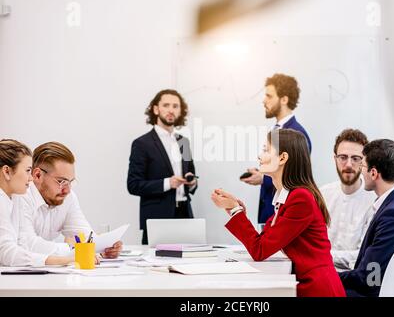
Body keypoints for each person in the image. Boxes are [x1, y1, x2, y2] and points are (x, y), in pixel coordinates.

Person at [212, 129, 345, 297]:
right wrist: (236, 210)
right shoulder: (289, 197)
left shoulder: (300, 198)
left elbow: (259, 250)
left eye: (266, 150)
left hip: (317, 289)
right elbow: (264, 242)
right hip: (310, 284)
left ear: (282, 158)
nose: (260, 156)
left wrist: (236, 211)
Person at [339, 139, 394, 297]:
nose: (360, 171)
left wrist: (330, 276)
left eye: (362, 166)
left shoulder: (393, 216)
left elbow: (370, 278)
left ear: (373, 173)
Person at [15, 142, 122, 259]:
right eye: (61, 181)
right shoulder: (21, 195)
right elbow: (28, 244)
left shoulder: (68, 198)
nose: (67, 190)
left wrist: (104, 247)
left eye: (70, 182)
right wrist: (73, 249)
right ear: (38, 175)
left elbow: (85, 235)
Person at [127, 89, 198, 245]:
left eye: (175, 106)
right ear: (156, 109)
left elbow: (191, 174)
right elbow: (133, 185)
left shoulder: (183, 142)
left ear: (181, 111)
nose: (171, 110)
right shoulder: (141, 144)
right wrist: (168, 183)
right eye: (166, 105)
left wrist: (192, 183)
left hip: (185, 214)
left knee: (189, 262)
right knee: (154, 265)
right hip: (157, 218)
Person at [240, 73, 312, 224]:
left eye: (269, 96)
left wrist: (263, 178)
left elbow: (295, 176)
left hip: (285, 215)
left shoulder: (297, 135)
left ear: (284, 99)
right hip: (270, 212)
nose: (264, 101)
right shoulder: (275, 130)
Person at [0, 139, 72, 266]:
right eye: (28, 170)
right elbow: (6, 252)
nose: (31, 178)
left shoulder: (14, 198)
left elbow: (22, 243)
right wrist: (66, 259)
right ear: (7, 172)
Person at [320, 129, 376, 271]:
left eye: (356, 158)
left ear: (365, 162)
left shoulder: (374, 201)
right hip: (321, 273)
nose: (349, 164)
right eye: (343, 157)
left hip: (354, 281)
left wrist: (323, 255)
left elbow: (364, 255)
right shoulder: (323, 194)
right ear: (335, 159)